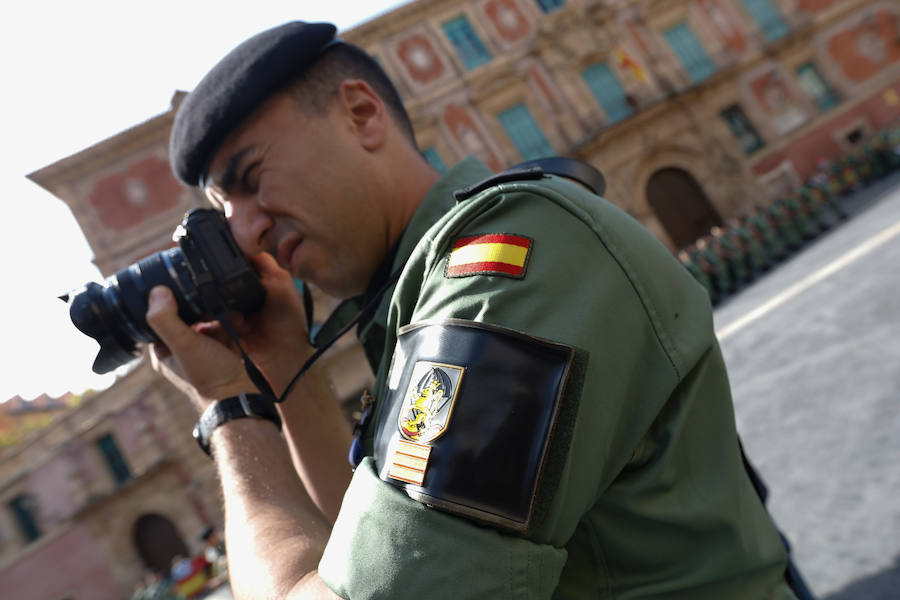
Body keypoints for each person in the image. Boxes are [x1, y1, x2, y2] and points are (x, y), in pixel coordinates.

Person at [145, 21, 800, 599]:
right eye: (225, 218)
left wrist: (230, 411)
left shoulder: (507, 270)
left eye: (252, 178)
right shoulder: (411, 302)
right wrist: (283, 361)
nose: (247, 233)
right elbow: (362, 552)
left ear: (361, 114)